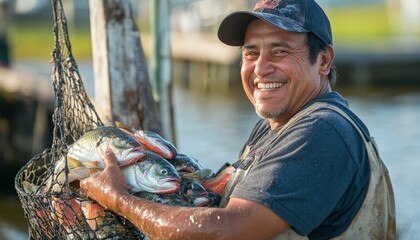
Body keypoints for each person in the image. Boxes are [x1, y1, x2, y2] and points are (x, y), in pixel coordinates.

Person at [80, 0, 396, 239]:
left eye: (279, 52)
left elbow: (228, 232)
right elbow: (227, 193)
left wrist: (119, 200)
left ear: (323, 60)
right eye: (250, 53)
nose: (260, 69)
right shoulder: (278, 125)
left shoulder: (321, 131)